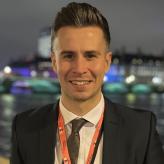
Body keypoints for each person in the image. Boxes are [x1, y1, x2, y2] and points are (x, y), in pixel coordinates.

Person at [10, 2, 164, 164]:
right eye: (68, 56)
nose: (80, 68)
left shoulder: (141, 129)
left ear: (107, 62)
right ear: (54, 62)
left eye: (90, 56)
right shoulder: (23, 127)